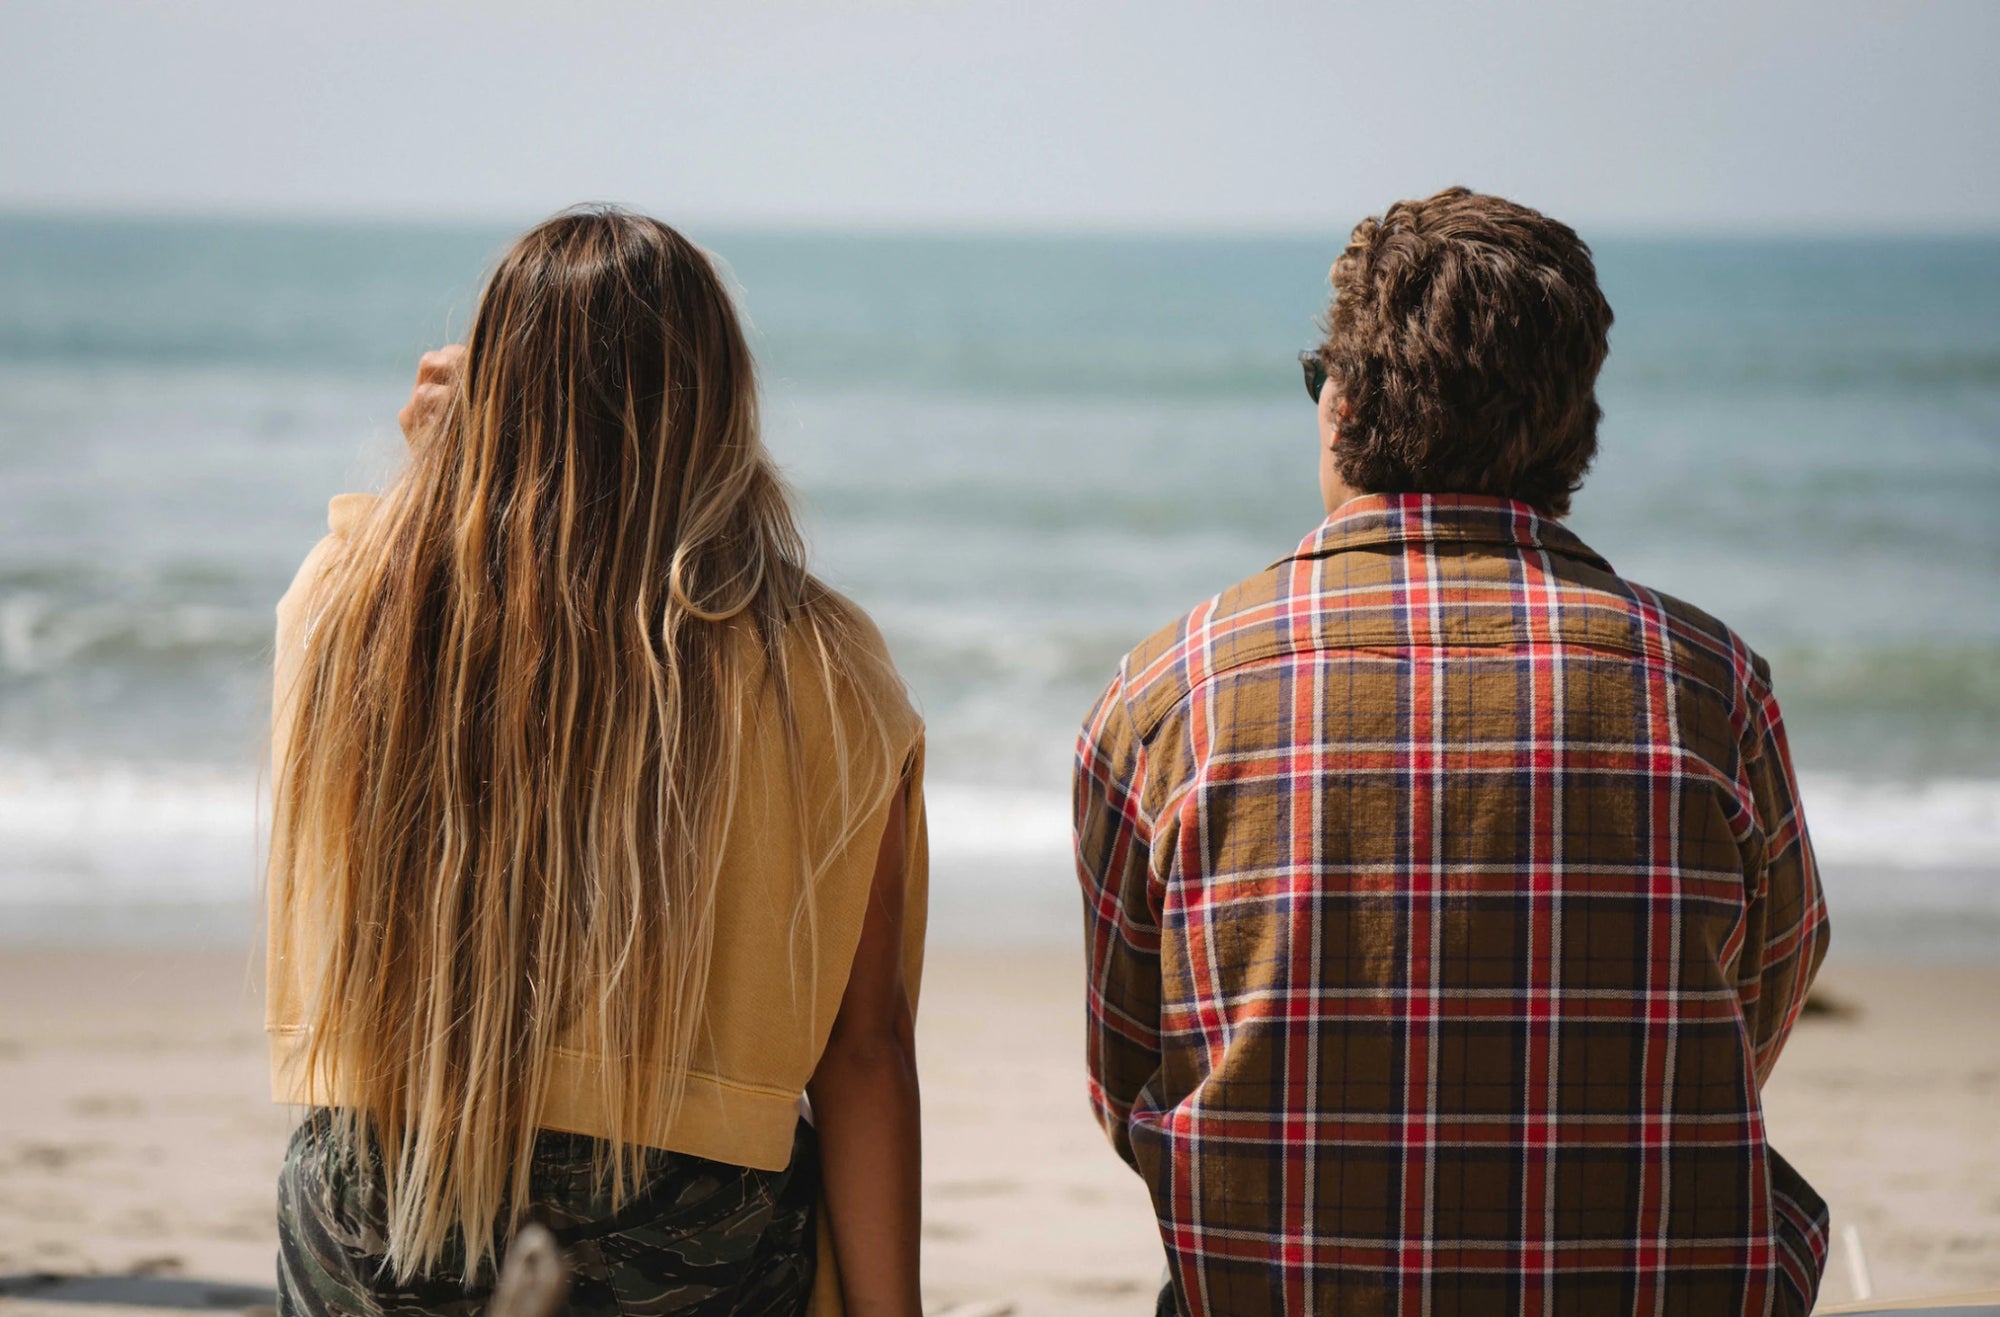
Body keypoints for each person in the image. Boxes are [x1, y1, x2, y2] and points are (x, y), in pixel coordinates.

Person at [1073, 188, 1830, 1316]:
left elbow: (1129, 1073)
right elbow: (1759, 997)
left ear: (1339, 404)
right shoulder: (1705, 686)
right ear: (1573, 424)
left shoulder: (1167, 695)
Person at [265, 207, 926, 1317]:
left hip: (383, 1205)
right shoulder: (822, 665)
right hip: (680, 1229)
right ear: (719, 401)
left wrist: (444, 474)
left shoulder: (346, 612)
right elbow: (863, 1051)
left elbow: (443, 594)